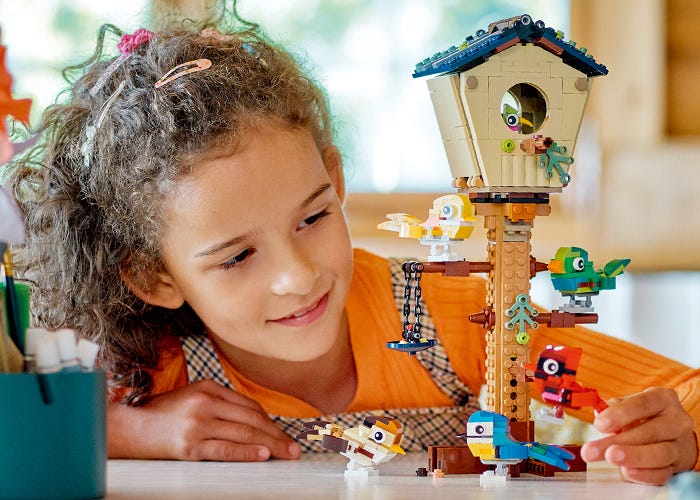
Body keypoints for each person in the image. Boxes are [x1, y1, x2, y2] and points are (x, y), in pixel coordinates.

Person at [5, 12, 699, 486]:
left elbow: (687, 395)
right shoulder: (152, 368)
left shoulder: (465, 314)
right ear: (154, 277)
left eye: (312, 217)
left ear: (334, 180)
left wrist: (683, 435)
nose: (298, 275)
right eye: (237, 257)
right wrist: (131, 432)